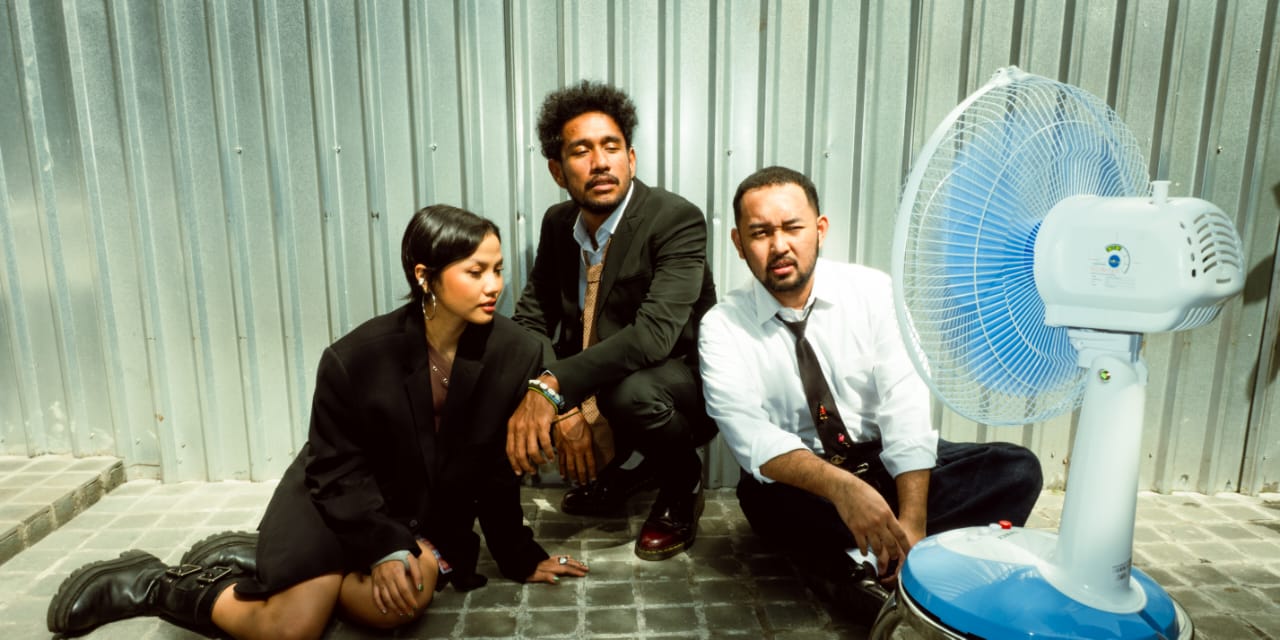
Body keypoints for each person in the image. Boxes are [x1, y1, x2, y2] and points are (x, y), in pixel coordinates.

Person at [47, 205, 588, 639]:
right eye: (475, 271)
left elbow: (495, 469)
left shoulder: (515, 351)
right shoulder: (357, 358)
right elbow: (336, 468)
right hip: (337, 500)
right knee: (293, 628)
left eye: (497, 269)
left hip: (419, 517)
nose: (494, 285)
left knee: (397, 605)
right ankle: (158, 583)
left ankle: (266, 562)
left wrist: (518, 556)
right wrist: (382, 546)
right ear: (425, 277)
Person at [698, 166, 1042, 613]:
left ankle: (865, 557)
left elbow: (905, 403)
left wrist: (913, 520)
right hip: (808, 481)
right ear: (739, 244)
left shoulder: (873, 292)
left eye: (792, 228)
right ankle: (882, 562)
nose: (779, 245)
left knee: (1016, 470)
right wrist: (843, 490)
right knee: (766, 502)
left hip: (879, 462)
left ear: (820, 230)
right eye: (760, 233)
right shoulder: (722, 326)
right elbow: (752, 437)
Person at [506, 80, 718, 561]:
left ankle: (682, 485)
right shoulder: (558, 224)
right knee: (503, 366)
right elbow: (531, 319)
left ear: (631, 159)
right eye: (581, 151)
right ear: (557, 170)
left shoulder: (675, 219)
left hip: (677, 386)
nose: (600, 162)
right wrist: (561, 407)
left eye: (611, 147)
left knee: (631, 394)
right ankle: (634, 472)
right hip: (597, 378)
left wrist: (553, 386)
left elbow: (652, 338)